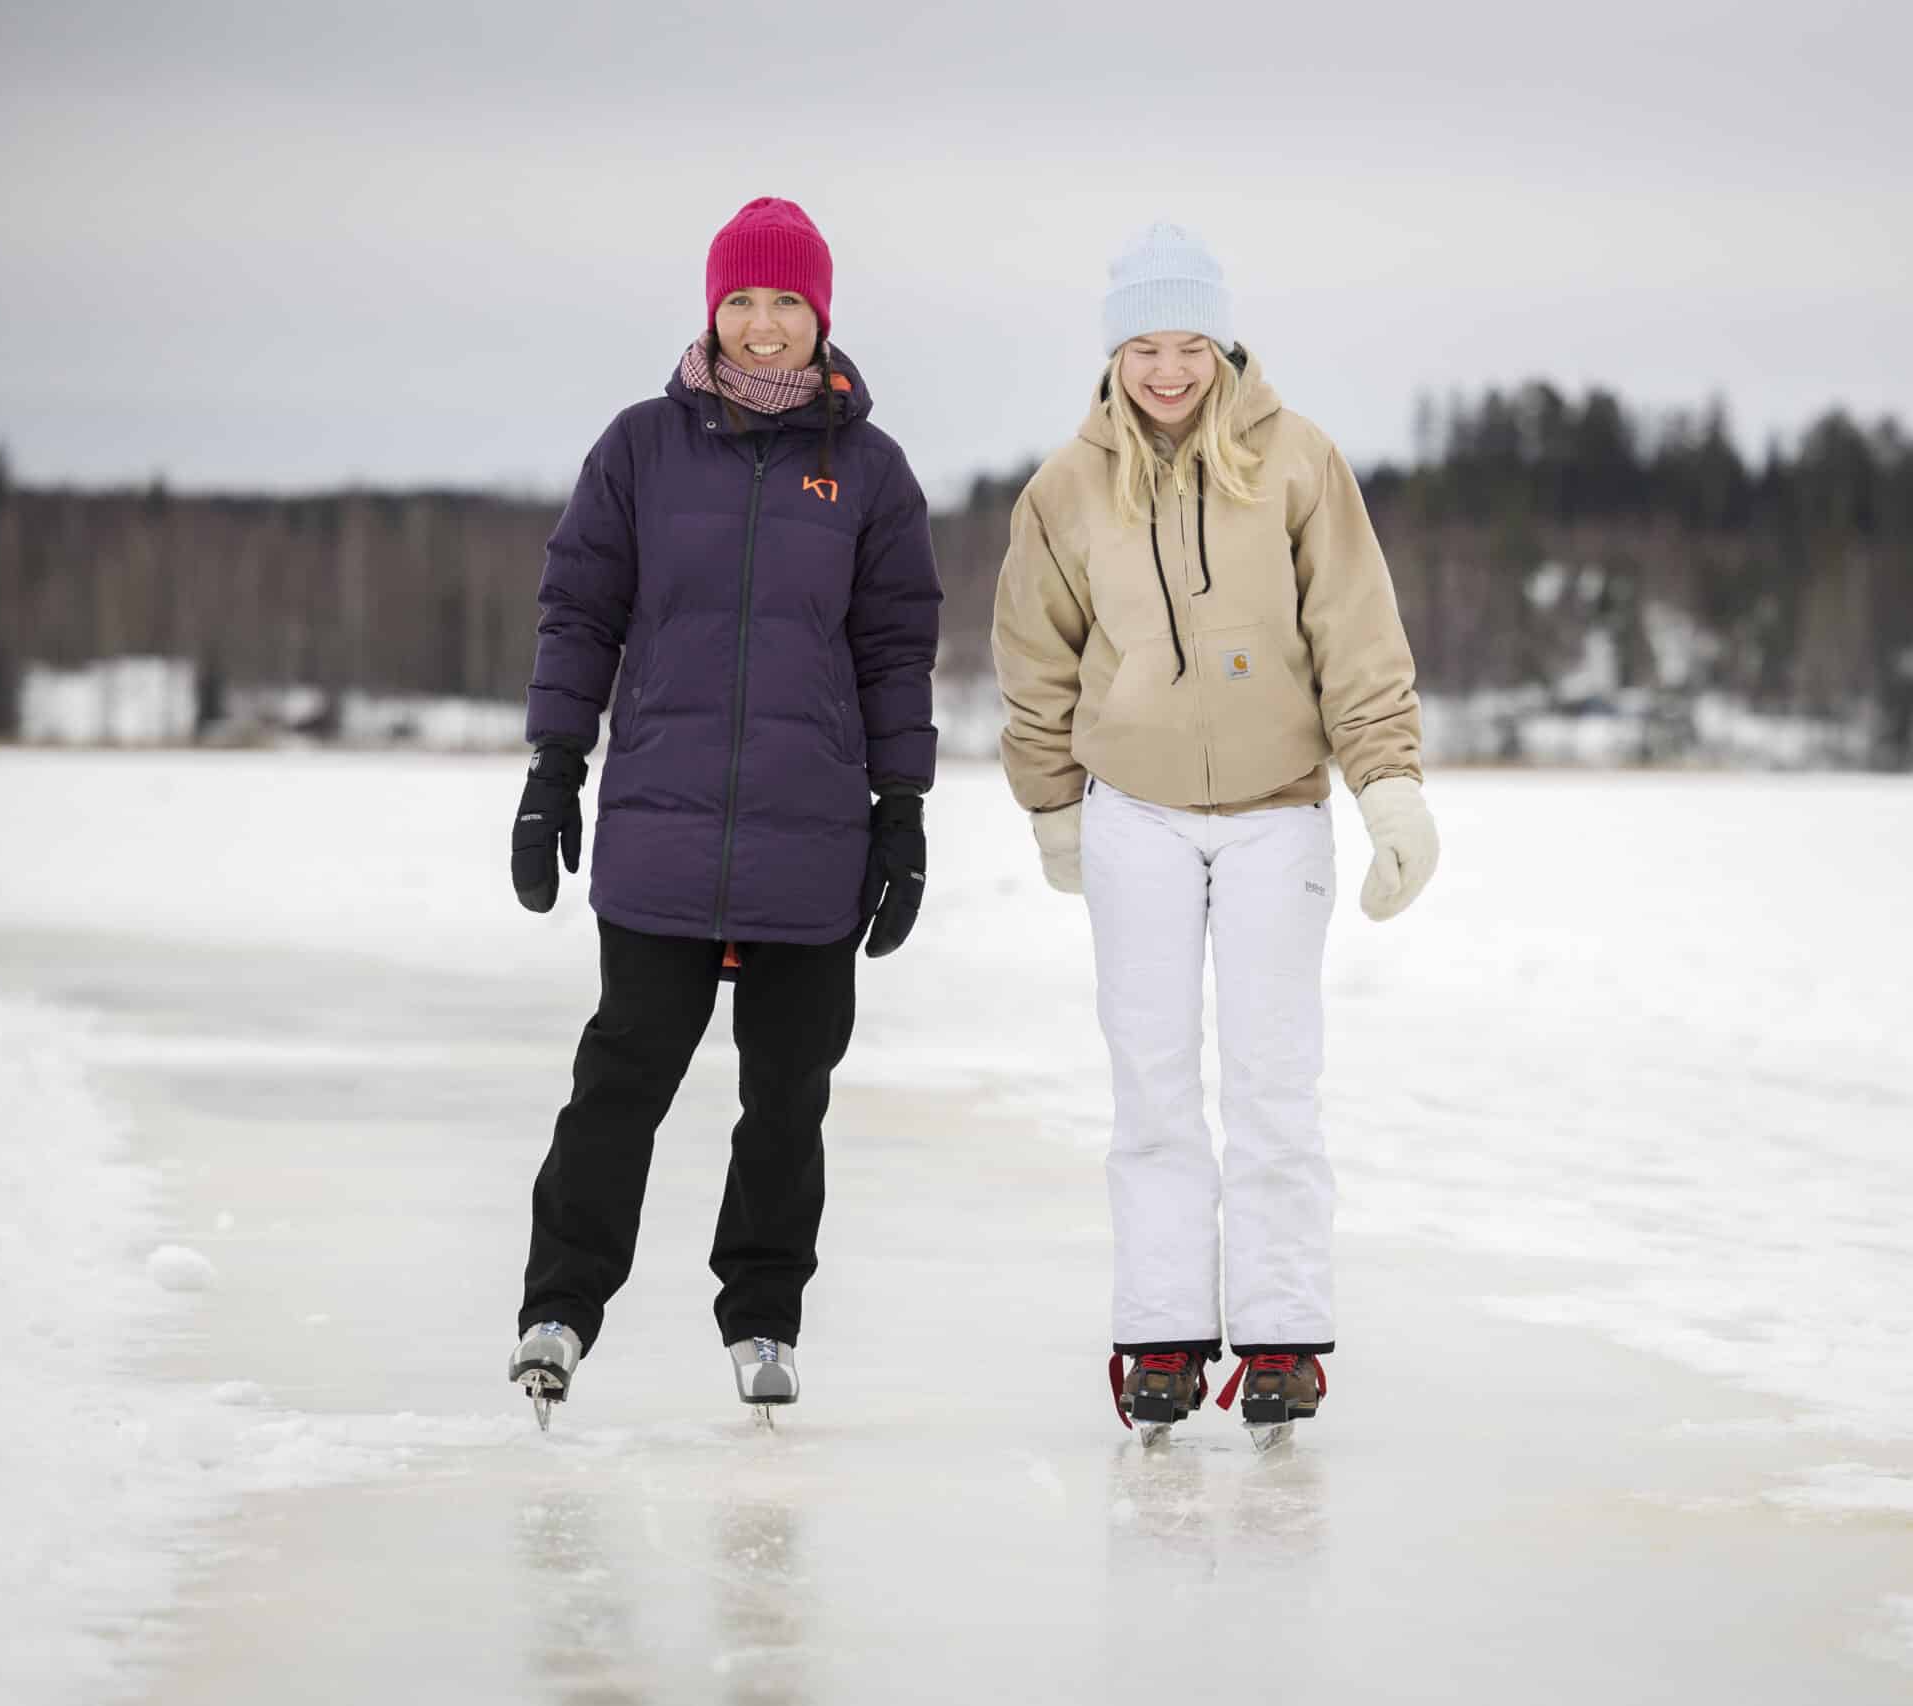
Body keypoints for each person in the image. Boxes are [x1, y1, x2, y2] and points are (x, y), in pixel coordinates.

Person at [990, 223, 1439, 1444]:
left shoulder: (1299, 461)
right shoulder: (1063, 488)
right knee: (1150, 1084)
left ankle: (1284, 1334)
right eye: (1146, 346)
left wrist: (1385, 787)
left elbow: (1356, 634)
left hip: (1276, 811)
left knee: (1273, 1080)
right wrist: (1049, 807)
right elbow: (1034, 664)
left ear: (1224, 344)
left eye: (1191, 344)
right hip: (1130, 811)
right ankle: (1161, 1337)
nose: (1170, 370)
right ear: (1113, 354)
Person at [504, 195, 941, 1430]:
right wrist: (553, 768)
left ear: (821, 317)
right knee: (622, 1074)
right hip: (663, 822)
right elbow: (578, 614)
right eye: (741, 302)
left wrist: (900, 808)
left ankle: (763, 1313)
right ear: (712, 310)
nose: (762, 327)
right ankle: (559, 1305)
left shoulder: (869, 469)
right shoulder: (640, 448)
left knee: (787, 1090)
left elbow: (895, 648)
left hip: (812, 833)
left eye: (785, 303)